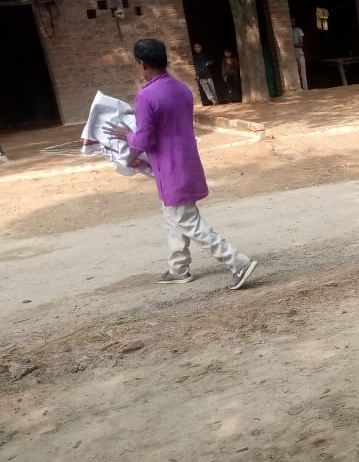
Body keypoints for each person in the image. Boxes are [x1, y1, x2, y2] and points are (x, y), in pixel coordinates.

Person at [107, 38, 258, 290]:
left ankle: (238, 262)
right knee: (173, 216)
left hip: (169, 168)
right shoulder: (182, 89)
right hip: (186, 161)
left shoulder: (146, 96)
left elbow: (145, 139)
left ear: (142, 64)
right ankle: (178, 267)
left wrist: (128, 137)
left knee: (188, 220)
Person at [291, 18, 307, 90]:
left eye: (294, 21)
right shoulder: (288, 32)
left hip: (299, 54)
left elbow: (301, 44)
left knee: (302, 74)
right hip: (292, 56)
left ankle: (305, 89)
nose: (293, 23)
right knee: (295, 74)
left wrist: (292, 44)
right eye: (291, 21)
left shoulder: (298, 30)